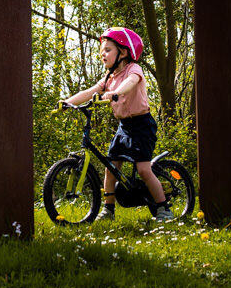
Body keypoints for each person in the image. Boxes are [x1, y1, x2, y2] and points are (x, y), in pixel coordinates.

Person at [63, 27, 174, 222]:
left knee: (143, 170)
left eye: (107, 50)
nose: (102, 55)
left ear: (123, 52)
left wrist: (116, 92)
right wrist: (68, 102)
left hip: (142, 125)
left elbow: (130, 83)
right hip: (124, 127)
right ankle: (108, 209)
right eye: (101, 51)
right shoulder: (109, 77)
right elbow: (90, 91)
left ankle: (164, 209)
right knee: (111, 167)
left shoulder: (133, 69)